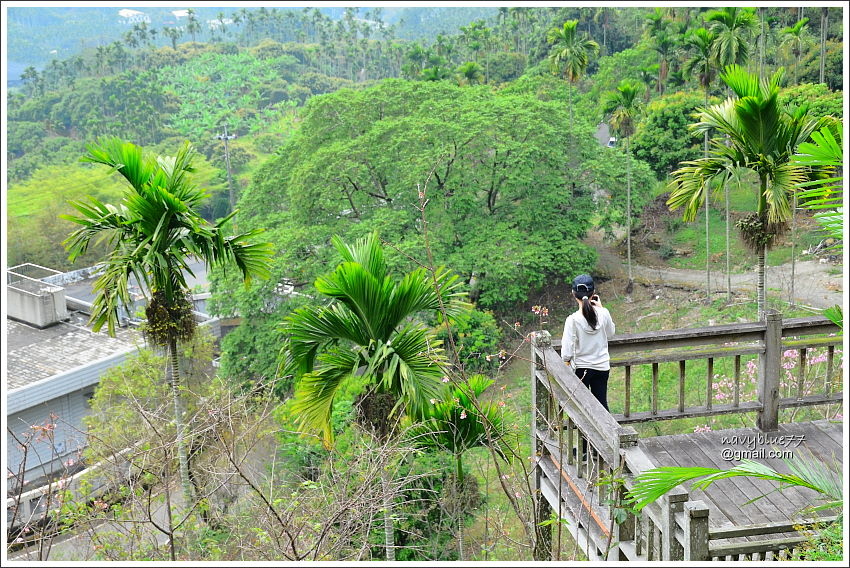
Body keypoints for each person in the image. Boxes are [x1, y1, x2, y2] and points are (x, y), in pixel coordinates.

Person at [561, 274, 615, 411]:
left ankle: (587, 433)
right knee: (602, 405)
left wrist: (566, 361)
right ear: (594, 293)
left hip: (581, 369)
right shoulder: (603, 313)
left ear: (573, 294)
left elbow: (566, 352)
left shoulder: (572, 320)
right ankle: (609, 431)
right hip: (602, 366)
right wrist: (601, 309)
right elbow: (610, 333)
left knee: (582, 409)